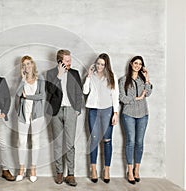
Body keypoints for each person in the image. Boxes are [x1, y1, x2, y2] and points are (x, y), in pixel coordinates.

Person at [45, 49, 82, 187]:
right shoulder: (50, 74)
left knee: (70, 144)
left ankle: (71, 174)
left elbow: (78, 93)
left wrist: (77, 109)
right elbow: (49, 93)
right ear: (60, 61)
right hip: (56, 111)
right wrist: (59, 77)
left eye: (70, 60)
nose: (69, 62)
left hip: (71, 110)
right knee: (58, 144)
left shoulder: (75, 73)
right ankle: (59, 172)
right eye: (67, 60)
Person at [83, 53, 119, 184]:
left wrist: (115, 113)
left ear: (106, 65)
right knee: (93, 140)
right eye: (98, 64)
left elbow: (115, 95)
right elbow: (85, 92)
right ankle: (93, 169)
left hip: (107, 111)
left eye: (102, 64)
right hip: (93, 110)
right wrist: (88, 76)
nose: (99, 66)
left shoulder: (111, 77)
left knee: (107, 140)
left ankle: (107, 170)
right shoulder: (91, 76)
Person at [119, 55, 153, 185]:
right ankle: (130, 170)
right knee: (130, 141)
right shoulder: (123, 80)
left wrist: (147, 77)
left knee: (139, 142)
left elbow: (148, 93)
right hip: (128, 114)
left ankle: (137, 169)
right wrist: (136, 99)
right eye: (136, 63)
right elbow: (122, 98)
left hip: (143, 114)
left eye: (140, 64)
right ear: (131, 64)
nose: (137, 65)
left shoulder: (143, 79)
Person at [15, 55, 46, 183]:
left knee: (35, 141)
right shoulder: (21, 80)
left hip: (37, 115)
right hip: (23, 115)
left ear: (32, 65)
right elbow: (17, 94)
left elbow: (42, 95)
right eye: (24, 65)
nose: (27, 66)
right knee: (21, 142)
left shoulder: (40, 79)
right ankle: (21, 169)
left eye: (28, 64)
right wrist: (23, 79)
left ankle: (33, 169)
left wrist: (27, 97)